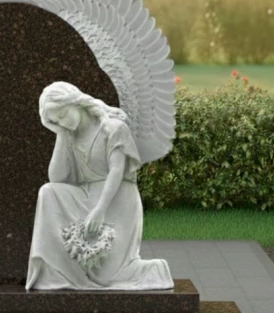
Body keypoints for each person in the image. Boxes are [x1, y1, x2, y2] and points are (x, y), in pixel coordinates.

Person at [25, 81, 174, 291]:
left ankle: (156, 270)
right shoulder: (70, 135)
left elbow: (117, 171)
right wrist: (61, 133)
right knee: (48, 192)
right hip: (84, 195)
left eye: (63, 115)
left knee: (107, 277)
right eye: (57, 120)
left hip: (115, 198)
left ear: (75, 103)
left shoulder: (113, 128)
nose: (63, 122)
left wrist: (99, 210)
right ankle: (56, 274)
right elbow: (56, 178)